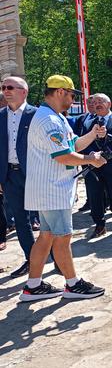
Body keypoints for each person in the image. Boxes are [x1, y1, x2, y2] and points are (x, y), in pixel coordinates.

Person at [19, 75, 107, 301]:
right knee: (62, 237)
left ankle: (33, 285)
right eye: (71, 94)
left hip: (50, 189)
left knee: (46, 236)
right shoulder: (49, 120)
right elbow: (64, 156)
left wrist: (93, 135)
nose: (72, 99)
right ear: (60, 92)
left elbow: (73, 143)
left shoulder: (55, 116)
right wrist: (91, 159)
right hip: (53, 190)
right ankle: (72, 284)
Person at [0, 77, 55, 277]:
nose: (5, 90)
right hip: (9, 176)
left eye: (10, 87)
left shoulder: (38, 115)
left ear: (24, 91)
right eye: (3, 87)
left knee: (48, 218)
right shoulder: (0, 116)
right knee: (21, 221)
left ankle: (59, 260)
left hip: (36, 173)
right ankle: (31, 260)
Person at [78, 93, 112, 237]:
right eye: (95, 102)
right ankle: (99, 225)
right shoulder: (88, 123)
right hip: (93, 167)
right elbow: (82, 144)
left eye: (101, 101)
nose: (97, 104)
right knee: (95, 197)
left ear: (109, 104)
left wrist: (106, 138)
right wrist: (92, 157)